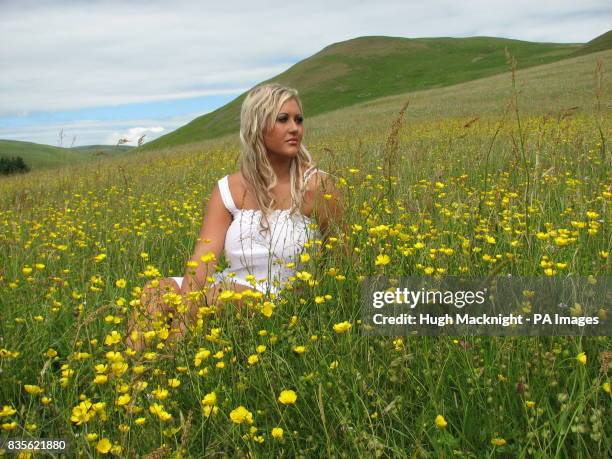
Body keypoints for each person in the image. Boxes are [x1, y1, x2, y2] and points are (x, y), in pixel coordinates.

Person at [127, 83, 342, 351]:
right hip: (228, 289)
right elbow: (201, 261)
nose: (294, 128)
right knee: (155, 292)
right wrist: (186, 308)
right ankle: (130, 383)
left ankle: (170, 363)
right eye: (283, 119)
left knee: (212, 296)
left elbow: (344, 260)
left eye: (298, 120)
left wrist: (316, 306)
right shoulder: (228, 189)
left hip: (279, 301)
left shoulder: (317, 187)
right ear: (257, 125)